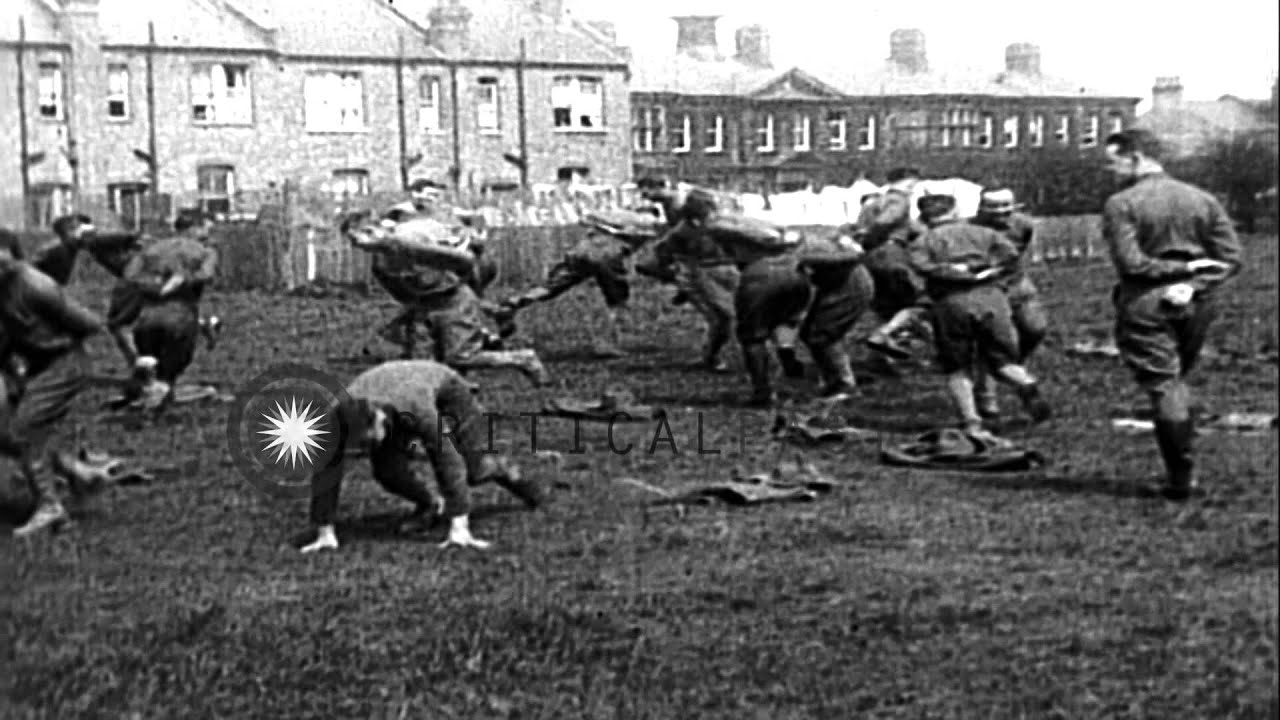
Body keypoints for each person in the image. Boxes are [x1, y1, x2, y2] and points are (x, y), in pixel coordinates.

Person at [1101, 128, 1241, 500]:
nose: (1110, 171)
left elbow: (1132, 264)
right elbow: (1231, 258)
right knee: (1177, 380)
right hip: (1198, 302)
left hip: (1146, 299)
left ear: (1135, 158)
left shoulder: (1121, 203)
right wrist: (1194, 283)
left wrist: (1179, 272)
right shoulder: (1202, 199)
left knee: (1166, 385)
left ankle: (1180, 480)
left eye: (1113, 162)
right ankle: (1182, 470)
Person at [301, 359, 546, 553]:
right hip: (392, 391)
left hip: (445, 387)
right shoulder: (335, 419)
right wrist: (325, 532)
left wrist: (459, 526)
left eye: (368, 441)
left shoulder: (414, 407)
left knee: (475, 468)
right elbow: (325, 474)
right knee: (388, 470)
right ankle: (431, 505)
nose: (364, 449)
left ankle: (517, 479)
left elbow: (446, 457)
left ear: (379, 419)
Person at [345, 206, 549, 385]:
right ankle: (448, 394)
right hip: (424, 306)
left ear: (372, 230)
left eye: (355, 239)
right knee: (419, 363)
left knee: (460, 357)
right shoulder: (379, 263)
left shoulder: (409, 240)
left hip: (453, 300)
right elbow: (400, 293)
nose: (355, 246)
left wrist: (466, 294)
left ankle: (522, 359)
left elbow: (464, 261)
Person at [909, 193, 1052, 436]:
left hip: (951, 301)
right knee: (1002, 360)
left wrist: (950, 270)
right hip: (991, 297)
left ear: (924, 218)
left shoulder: (924, 240)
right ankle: (1027, 385)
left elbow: (920, 266)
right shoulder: (984, 233)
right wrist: (987, 268)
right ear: (955, 212)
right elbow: (1010, 256)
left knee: (957, 366)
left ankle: (971, 421)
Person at [0, 229, 106, 536]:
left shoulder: (37, 286)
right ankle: (79, 474)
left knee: (24, 430)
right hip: (37, 366)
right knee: (9, 432)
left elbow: (90, 323)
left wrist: (46, 339)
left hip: (64, 363)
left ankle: (50, 506)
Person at [120, 209, 219, 409]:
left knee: (150, 362)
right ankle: (157, 402)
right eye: (205, 230)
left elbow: (129, 275)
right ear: (194, 228)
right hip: (181, 317)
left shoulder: (150, 249)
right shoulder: (205, 251)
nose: (207, 235)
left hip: (147, 317)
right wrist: (181, 280)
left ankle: (145, 395)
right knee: (171, 367)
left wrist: (155, 286)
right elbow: (206, 275)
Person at [968, 188, 1049, 419]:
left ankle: (1010, 367)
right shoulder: (971, 228)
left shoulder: (1022, 224)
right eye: (993, 206)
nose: (1000, 211)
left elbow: (1021, 249)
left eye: (1006, 205)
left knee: (1035, 328)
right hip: (987, 289)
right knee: (991, 342)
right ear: (981, 207)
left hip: (1017, 284)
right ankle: (987, 398)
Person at [854, 167, 931, 364]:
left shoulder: (872, 202)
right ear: (908, 182)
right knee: (917, 302)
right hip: (891, 253)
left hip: (871, 257)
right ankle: (883, 334)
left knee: (885, 306)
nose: (913, 189)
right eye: (913, 185)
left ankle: (881, 358)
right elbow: (887, 220)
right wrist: (872, 234)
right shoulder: (899, 200)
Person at [795, 230, 875, 401]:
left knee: (823, 335)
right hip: (837, 286)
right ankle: (833, 380)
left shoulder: (814, 247)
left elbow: (854, 256)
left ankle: (844, 385)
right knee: (809, 333)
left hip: (850, 287)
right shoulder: (812, 244)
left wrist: (803, 260)